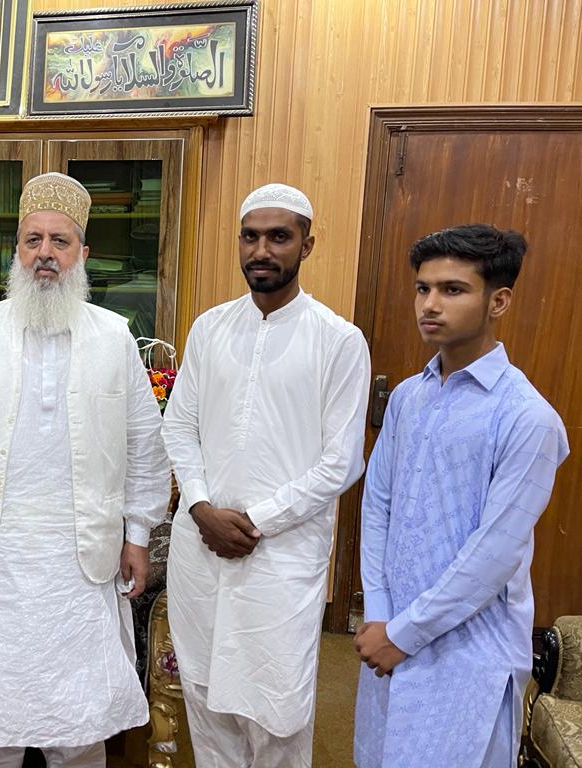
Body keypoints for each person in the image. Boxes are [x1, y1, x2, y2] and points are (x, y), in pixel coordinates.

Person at [0, 172, 171, 768]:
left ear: (83, 255)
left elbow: (144, 446)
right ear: (16, 251)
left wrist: (137, 535)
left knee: (80, 728)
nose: (45, 253)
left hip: (80, 563)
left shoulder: (115, 336)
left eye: (60, 241)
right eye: (33, 240)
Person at [162, 183, 371, 767]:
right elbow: (179, 427)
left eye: (279, 237)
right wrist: (200, 508)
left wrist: (256, 521)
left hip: (280, 556)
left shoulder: (338, 340)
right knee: (204, 696)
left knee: (276, 709)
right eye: (250, 236)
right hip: (201, 547)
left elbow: (341, 461)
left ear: (307, 244)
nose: (262, 250)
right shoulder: (209, 328)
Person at [353, 225, 569, 768]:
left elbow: (494, 555)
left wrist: (404, 633)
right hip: (387, 635)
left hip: (469, 650)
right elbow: (377, 504)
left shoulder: (527, 417)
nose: (430, 304)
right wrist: (379, 613)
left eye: (452, 290)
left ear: (499, 301)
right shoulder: (408, 396)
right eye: (423, 288)